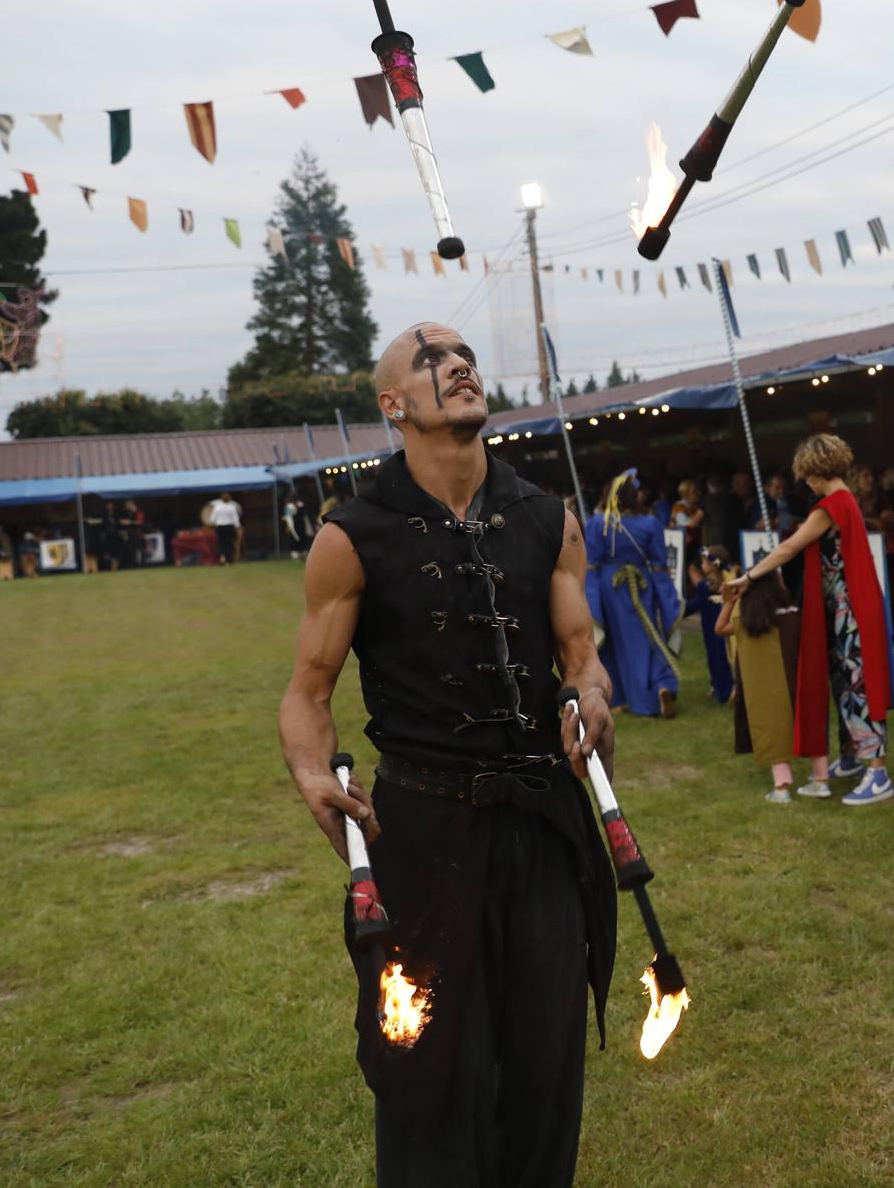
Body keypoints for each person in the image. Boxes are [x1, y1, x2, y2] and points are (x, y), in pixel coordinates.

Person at [277, 321, 617, 1185]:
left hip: (543, 828)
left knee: (546, 1067)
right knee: (427, 1072)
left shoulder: (547, 517)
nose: (458, 366)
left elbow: (581, 651)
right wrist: (314, 773)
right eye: (432, 361)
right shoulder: (352, 534)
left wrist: (593, 691)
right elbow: (309, 690)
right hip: (422, 835)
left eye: (462, 356)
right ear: (394, 405)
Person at [726, 433, 894, 806]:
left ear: (817, 471)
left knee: (858, 685)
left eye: (806, 475)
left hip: (848, 611)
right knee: (844, 682)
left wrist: (749, 576)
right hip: (846, 608)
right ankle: (853, 757)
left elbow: (789, 548)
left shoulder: (831, 506)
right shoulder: (844, 500)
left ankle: (878, 771)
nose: (804, 482)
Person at [585, 470, 682, 718]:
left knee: (613, 642)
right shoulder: (650, 523)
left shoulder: (597, 524)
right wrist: (669, 600)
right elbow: (660, 565)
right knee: (649, 636)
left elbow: (592, 564)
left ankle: (619, 698)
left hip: (609, 588)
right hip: (642, 585)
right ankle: (662, 685)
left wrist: (591, 602)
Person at [716, 570, 807, 802]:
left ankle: (781, 786)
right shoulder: (791, 616)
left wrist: (730, 602)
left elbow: (720, 628)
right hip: (792, 685)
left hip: (763, 690)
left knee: (771, 729)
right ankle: (820, 777)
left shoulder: (748, 622)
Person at [691, 545, 735, 705]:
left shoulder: (707, 587)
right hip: (716, 624)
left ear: (713, 566)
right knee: (721, 656)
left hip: (714, 626)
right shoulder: (725, 584)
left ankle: (724, 690)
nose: (701, 566)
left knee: (718, 657)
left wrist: (678, 610)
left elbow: (695, 604)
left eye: (703, 562)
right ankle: (721, 687)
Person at [209, 492, 243, 565]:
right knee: (229, 543)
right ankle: (229, 559)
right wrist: (238, 527)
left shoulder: (217, 507)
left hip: (220, 527)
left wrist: (212, 523)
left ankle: (222, 558)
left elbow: (212, 519)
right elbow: (235, 519)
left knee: (221, 543)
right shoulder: (232, 507)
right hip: (229, 527)